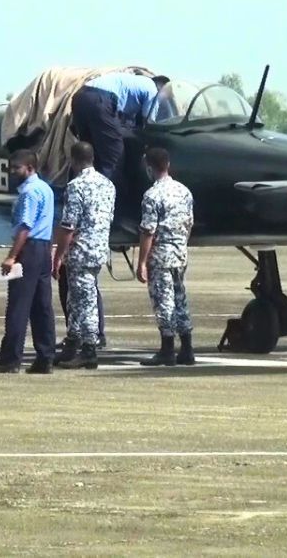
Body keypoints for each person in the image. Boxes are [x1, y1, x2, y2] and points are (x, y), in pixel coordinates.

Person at [0, 149, 56, 374]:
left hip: (29, 248)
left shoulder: (28, 192)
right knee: (42, 306)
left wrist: (12, 256)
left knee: (18, 305)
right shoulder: (46, 188)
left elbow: (25, 227)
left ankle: (10, 359)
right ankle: (45, 357)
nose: (13, 172)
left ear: (29, 168)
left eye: (17, 168)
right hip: (44, 248)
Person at [51, 142, 115, 370]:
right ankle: (72, 344)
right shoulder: (108, 185)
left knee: (85, 302)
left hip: (81, 252)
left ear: (74, 160)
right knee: (75, 300)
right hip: (98, 249)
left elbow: (68, 225)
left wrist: (58, 255)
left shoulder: (75, 186)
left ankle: (88, 350)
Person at [136, 147, 196, 366]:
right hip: (180, 253)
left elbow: (148, 231)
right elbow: (189, 223)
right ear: (168, 165)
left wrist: (142, 261)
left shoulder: (152, 195)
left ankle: (167, 349)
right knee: (181, 299)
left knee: (164, 301)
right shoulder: (184, 191)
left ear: (149, 168)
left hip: (161, 255)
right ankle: (187, 348)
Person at [70, 72, 170, 188]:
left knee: (89, 154)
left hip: (80, 97)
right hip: (101, 100)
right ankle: (109, 198)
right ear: (162, 88)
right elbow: (149, 122)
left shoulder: (136, 83)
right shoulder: (153, 90)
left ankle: (79, 191)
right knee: (114, 157)